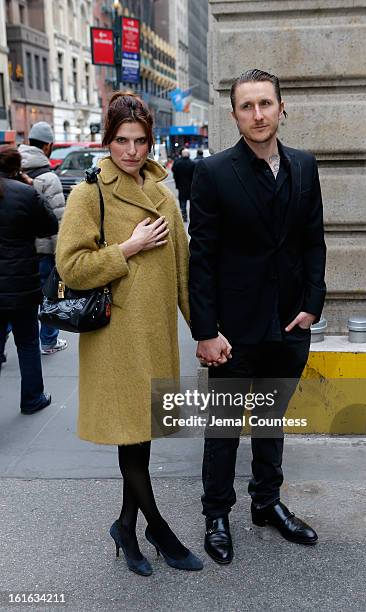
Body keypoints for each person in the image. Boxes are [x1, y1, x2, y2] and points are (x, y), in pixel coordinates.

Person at [56, 92, 203, 576]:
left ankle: (124, 524)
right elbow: (72, 268)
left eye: (140, 141)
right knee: (131, 439)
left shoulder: (163, 194)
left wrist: (203, 331)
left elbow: (183, 271)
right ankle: (157, 528)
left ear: (150, 142)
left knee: (139, 438)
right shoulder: (88, 194)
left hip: (155, 336)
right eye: (122, 140)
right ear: (108, 141)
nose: (132, 151)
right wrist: (129, 246)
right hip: (116, 340)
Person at [189, 69, 326, 564]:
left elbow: (313, 241)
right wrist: (206, 331)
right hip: (234, 331)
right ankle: (216, 514)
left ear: (281, 107)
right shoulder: (213, 173)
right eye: (247, 107)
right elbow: (200, 258)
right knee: (223, 427)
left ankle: (267, 503)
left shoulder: (305, 167)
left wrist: (314, 303)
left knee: (272, 420)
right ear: (234, 115)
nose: (258, 114)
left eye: (265, 104)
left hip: (289, 326)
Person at [0, 145, 58, 413]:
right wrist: (30, 186)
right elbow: (49, 226)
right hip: (21, 282)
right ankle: (32, 398)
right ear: (16, 168)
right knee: (27, 342)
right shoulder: (24, 193)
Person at [19, 121, 67, 356]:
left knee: (16, 300)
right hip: (45, 252)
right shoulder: (49, 178)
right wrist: (63, 256)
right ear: (48, 146)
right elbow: (58, 221)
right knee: (52, 296)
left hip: (17, 251)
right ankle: (48, 341)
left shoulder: (12, 172)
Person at [171, 148, 195, 222]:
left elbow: (173, 171)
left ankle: (184, 216)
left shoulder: (177, 162)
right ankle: (193, 216)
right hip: (191, 185)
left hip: (181, 185)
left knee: (182, 201)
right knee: (192, 203)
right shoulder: (192, 163)